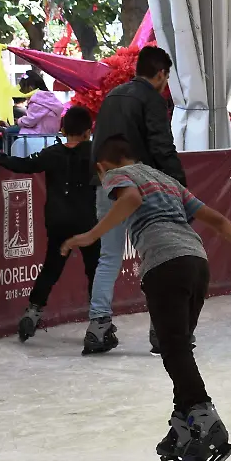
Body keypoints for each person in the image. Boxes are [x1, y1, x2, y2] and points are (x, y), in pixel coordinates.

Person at [61, 136, 231, 461]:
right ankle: (183, 428)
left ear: (104, 167)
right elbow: (218, 220)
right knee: (178, 346)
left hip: (165, 264)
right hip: (196, 263)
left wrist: (90, 236)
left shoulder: (120, 176)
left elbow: (130, 199)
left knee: (174, 348)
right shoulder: (167, 181)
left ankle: (205, 418)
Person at [86, 46, 187, 355]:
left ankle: (98, 325)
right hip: (142, 187)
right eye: (166, 77)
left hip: (107, 184)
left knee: (109, 257)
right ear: (160, 74)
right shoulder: (152, 100)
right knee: (157, 258)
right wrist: (179, 185)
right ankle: (162, 330)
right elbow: (161, 145)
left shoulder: (113, 96)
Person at [0, 107, 102, 346]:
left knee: (51, 268)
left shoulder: (52, 153)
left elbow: (22, 165)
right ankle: (98, 320)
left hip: (58, 220)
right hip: (88, 221)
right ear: (88, 131)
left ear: (62, 129)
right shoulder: (94, 154)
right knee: (94, 270)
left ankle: (33, 310)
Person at [11, 71, 64, 156]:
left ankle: (10, 159)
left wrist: (19, 121)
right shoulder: (50, 98)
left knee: (9, 131)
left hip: (36, 134)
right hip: (49, 134)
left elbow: (30, 120)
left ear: (30, 88)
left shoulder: (37, 101)